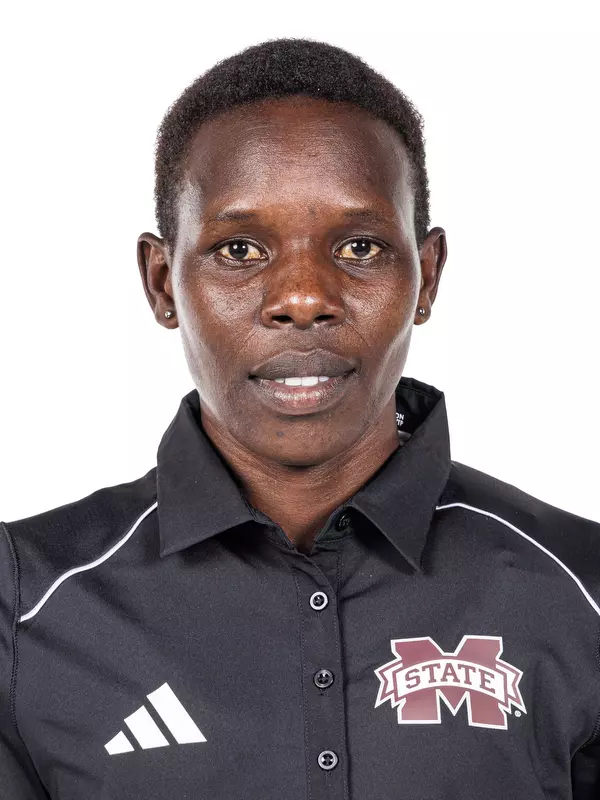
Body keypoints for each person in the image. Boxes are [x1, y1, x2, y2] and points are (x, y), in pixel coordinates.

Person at [1, 37, 598, 800]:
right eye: (240, 249)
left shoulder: (579, 587)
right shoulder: (26, 603)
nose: (304, 297)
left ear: (428, 275)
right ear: (161, 283)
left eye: (359, 246)